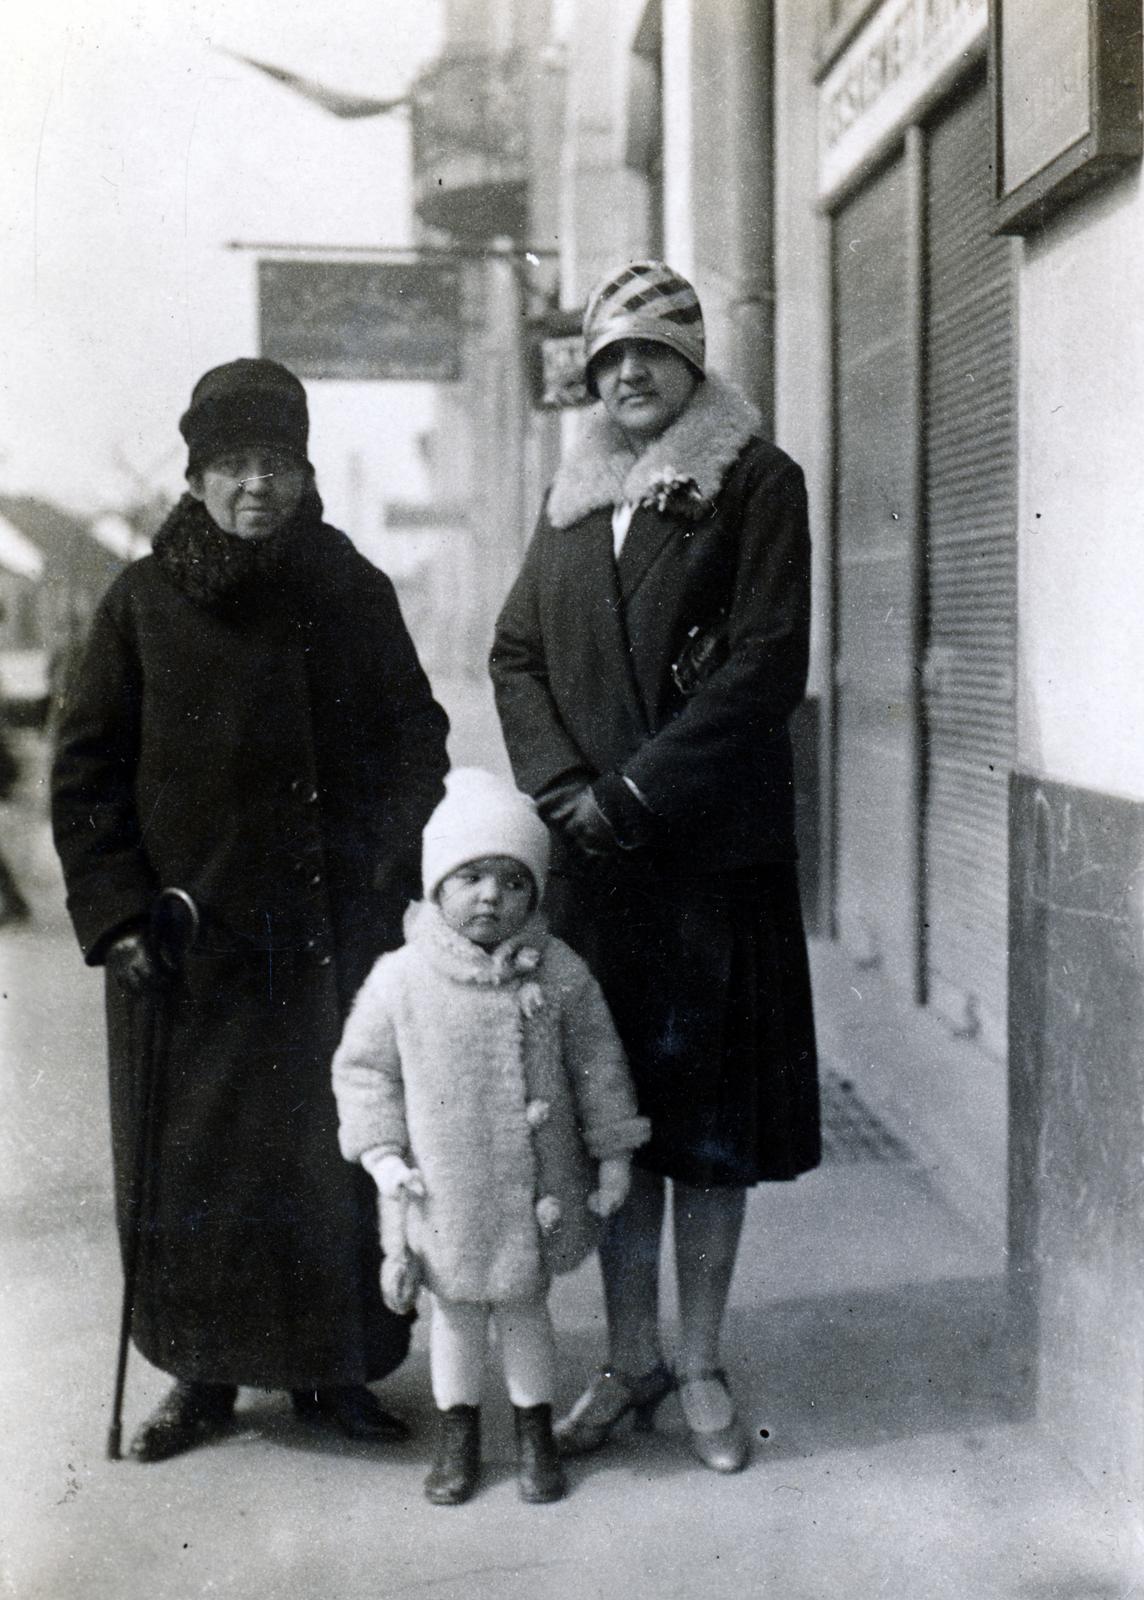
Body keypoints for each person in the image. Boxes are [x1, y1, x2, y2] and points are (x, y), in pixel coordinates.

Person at [51, 358, 450, 1462]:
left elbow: (419, 738)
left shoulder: (349, 588)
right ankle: (201, 1374)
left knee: (334, 1156)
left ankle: (336, 1373)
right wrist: (122, 915)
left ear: (305, 471)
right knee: (199, 1166)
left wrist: (374, 862)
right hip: (193, 944)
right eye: (232, 465)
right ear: (197, 476)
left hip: (331, 940)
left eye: (276, 462)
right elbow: (85, 774)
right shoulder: (142, 600)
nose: (256, 486)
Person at [490, 261, 821, 1474]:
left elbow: (764, 662)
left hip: (710, 861)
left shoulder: (754, 482)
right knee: (613, 1129)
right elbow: (516, 650)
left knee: (710, 1130)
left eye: (654, 353)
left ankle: (698, 1365)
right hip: (598, 868)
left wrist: (636, 790)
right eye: (608, 357)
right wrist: (567, 787)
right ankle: (627, 1360)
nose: (629, 373)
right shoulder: (572, 500)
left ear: (693, 365)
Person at [331, 767, 648, 1505]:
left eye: (511, 882)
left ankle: (534, 1434)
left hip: (534, 1188)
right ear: (437, 886)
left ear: (535, 893)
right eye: (470, 877)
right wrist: (381, 1154)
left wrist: (613, 1150)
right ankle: (459, 1435)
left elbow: (599, 1063)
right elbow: (364, 1070)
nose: (489, 897)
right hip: (442, 1189)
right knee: (456, 1316)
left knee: (526, 1308)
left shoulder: (561, 974)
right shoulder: (402, 978)